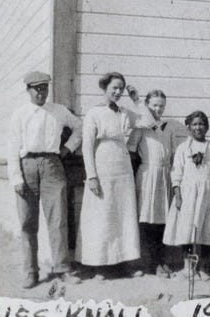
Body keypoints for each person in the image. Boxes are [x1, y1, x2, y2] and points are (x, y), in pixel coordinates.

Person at [8, 71, 82, 289]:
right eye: (36, 88)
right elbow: (12, 147)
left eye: (44, 88)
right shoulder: (20, 114)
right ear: (28, 90)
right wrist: (16, 178)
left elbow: (79, 126)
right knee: (27, 222)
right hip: (27, 166)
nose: (41, 92)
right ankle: (31, 272)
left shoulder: (58, 111)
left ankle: (61, 268)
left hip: (53, 166)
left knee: (58, 218)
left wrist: (68, 148)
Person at [75, 72, 153, 279]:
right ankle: (100, 266)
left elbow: (149, 121)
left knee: (124, 214)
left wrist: (136, 99)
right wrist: (91, 176)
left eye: (121, 89)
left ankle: (126, 262)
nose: (118, 92)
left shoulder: (126, 112)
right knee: (103, 214)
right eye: (114, 88)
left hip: (123, 166)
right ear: (105, 88)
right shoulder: (94, 113)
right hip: (103, 166)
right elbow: (87, 146)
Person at [163, 111, 210, 281]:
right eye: (195, 124)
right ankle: (188, 267)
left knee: (206, 229)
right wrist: (178, 195)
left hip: (208, 193)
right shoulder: (184, 148)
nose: (198, 127)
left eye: (202, 124)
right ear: (189, 127)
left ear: (207, 127)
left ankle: (204, 266)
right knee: (188, 230)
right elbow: (176, 173)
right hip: (188, 193)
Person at [127, 90, 176, 278]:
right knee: (147, 219)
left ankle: (162, 260)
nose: (158, 109)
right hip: (147, 175)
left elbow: (171, 154)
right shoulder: (141, 126)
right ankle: (152, 262)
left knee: (163, 219)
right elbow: (131, 151)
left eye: (161, 105)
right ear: (147, 105)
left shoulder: (169, 127)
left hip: (165, 176)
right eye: (154, 105)